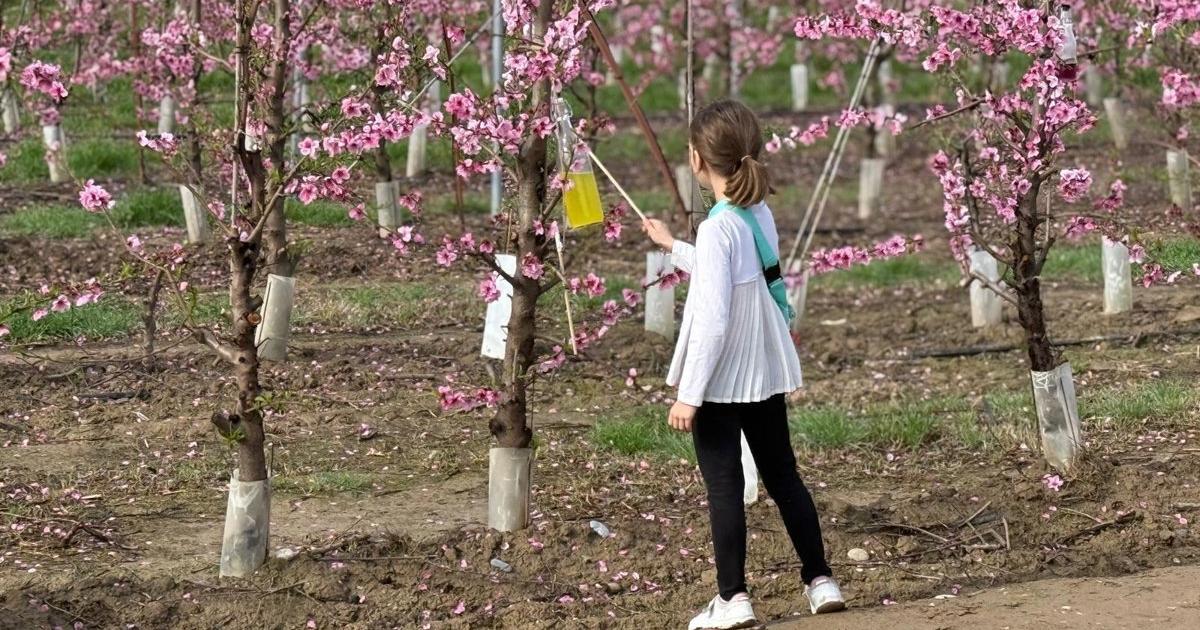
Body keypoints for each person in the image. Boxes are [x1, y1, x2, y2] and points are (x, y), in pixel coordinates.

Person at [642, 99, 844, 630]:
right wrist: (673, 246)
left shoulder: (718, 230)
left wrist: (690, 392)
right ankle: (820, 580)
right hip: (763, 370)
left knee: (725, 488)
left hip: (721, 381)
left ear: (695, 160)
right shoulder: (758, 215)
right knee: (784, 477)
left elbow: (711, 316)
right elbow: (732, 274)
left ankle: (732, 598)